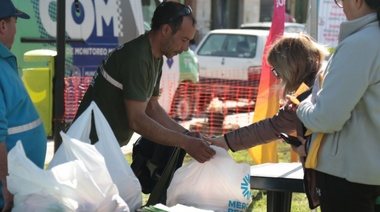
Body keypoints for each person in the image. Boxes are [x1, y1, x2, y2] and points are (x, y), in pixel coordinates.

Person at [73, 1, 215, 163]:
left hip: (101, 148)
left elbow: (151, 107)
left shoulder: (155, 56)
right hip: (88, 150)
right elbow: (137, 120)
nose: (185, 48)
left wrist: (186, 135)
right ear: (166, 30)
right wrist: (185, 142)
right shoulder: (137, 58)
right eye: (183, 39)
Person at [295, 0, 380, 211]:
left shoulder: (361, 43)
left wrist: (302, 104)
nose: (341, 5)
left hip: (349, 177)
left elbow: (326, 117)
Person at [205, 34, 329, 155]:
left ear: (290, 68)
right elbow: (273, 126)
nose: (278, 77)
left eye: (276, 71)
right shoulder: (320, 80)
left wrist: (308, 148)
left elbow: (273, 126)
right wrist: (226, 142)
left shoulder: (317, 88)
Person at [0, 0, 47, 211]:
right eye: (15, 22)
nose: (16, 30)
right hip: (7, 196)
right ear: (2, 26)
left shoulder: (4, 61)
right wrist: (6, 186)